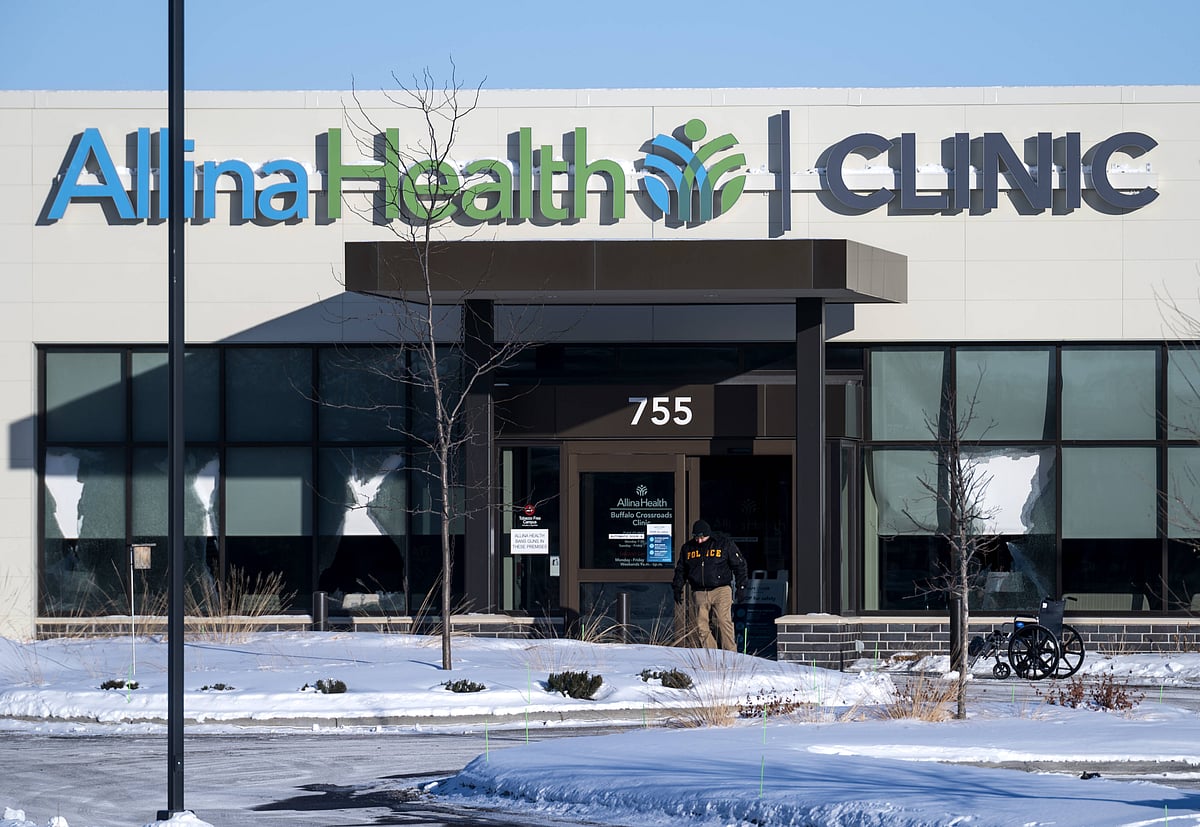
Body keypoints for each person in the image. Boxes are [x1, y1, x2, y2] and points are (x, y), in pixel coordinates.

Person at [672, 519, 748, 651]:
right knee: (701, 625)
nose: (699, 541)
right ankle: (711, 653)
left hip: (721, 589)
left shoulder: (723, 544)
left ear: (708, 534)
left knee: (722, 622)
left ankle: (730, 653)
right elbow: (681, 569)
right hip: (699, 591)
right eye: (696, 537)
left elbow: (739, 565)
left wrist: (741, 587)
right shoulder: (688, 548)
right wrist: (678, 587)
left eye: (702, 537)